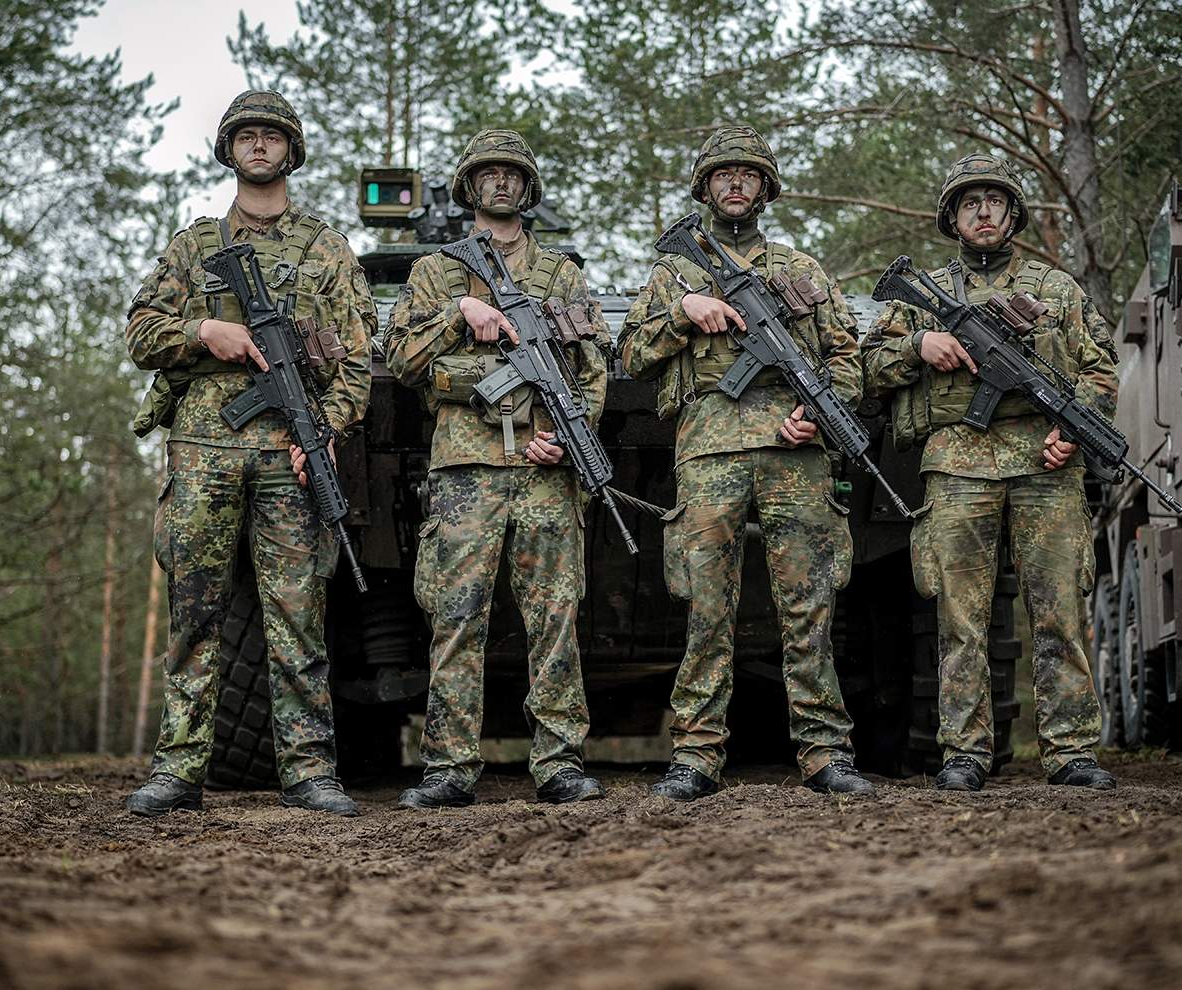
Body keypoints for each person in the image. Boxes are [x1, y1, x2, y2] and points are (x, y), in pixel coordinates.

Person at [123, 90, 375, 817]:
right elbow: (141, 332)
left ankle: (308, 769)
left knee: (297, 612)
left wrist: (323, 428)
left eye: (272, 137)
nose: (259, 146)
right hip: (204, 445)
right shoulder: (196, 246)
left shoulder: (326, 249)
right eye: (247, 136)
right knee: (194, 610)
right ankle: (178, 769)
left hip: (289, 453)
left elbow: (357, 360)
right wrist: (205, 332)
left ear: (290, 151)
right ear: (230, 150)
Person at [619, 125, 872, 801]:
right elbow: (632, 354)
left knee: (808, 604)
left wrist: (819, 414)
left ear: (765, 188)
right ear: (706, 187)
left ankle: (825, 751)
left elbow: (847, 357)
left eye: (748, 175)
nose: (736, 184)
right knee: (706, 608)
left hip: (797, 454)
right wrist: (683, 310)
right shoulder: (675, 271)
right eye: (724, 175)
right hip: (709, 448)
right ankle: (697, 753)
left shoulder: (803, 270)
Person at [861, 153, 1118, 793]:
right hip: (956, 464)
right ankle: (965, 752)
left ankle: (1071, 751)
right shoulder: (928, 294)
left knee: (1058, 610)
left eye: (995, 201)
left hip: (1044, 464)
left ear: (1012, 214)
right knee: (959, 616)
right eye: (971, 202)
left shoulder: (1056, 290)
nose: (984, 211)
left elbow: (1102, 370)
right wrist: (919, 347)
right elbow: (866, 369)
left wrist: (1071, 432)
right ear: (953, 215)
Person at [384, 130, 611, 808]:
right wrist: (460, 312)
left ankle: (560, 762)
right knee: (457, 616)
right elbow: (401, 357)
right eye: (489, 173)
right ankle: (450, 766)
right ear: (469, 186)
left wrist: (571, 441)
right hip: (466, 469)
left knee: (554, 617)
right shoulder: (435, 273)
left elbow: (591, 366)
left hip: (545, 469)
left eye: (514, 174)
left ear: (528, 187)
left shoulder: (559, 274)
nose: (502, 183)